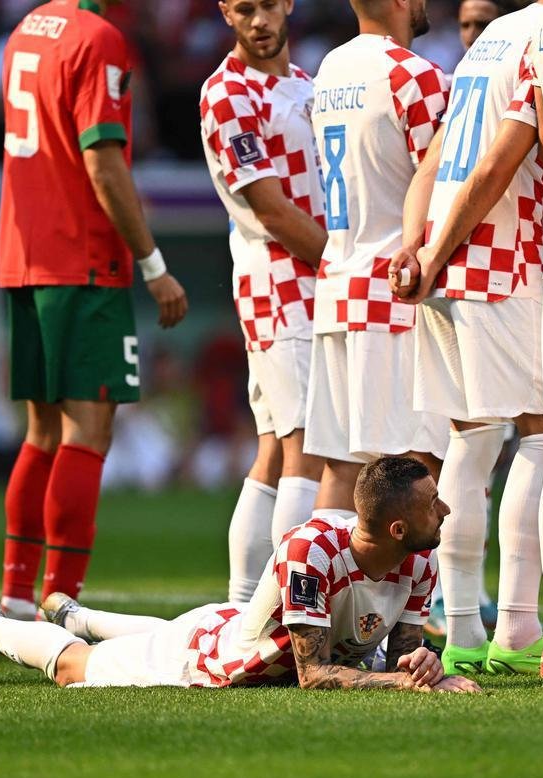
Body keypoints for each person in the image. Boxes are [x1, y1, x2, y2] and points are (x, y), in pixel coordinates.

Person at [0, 457, 480, 694]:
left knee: (169, 628)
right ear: (396, 526)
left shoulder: (418, 557)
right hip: (219, 661)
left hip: (233, 625)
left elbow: (402, 654)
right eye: (434, 504)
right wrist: (404, 683)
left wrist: (421, 664)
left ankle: (78, 615)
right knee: (76, 669)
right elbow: (313, 675)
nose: (446, 511)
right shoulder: (311, 552)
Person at [0, 0, 188, 621]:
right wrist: (154, 266)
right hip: (81, 258)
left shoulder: (26, 30)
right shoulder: (98, 38)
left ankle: (18, 595)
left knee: (42, 431)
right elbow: (103, 165)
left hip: (23, 254)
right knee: (88, 431)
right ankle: (63, 602)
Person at [391, 0, 543, 676]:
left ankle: (460, 630)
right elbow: (496, 166)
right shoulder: (541, 38)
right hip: (499, 261)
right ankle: (517, 628)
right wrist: (433, 255)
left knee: (469, 439)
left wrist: (418, 248)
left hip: (444, 261)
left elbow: (431, 164)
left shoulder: (480, 51)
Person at [199, 0, 329, 603]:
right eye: (244, 8)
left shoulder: (306, 84)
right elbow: (271, 209)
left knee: (275, 448)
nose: (258, 21)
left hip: (308, 280)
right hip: (280, 283)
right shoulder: (227, 93)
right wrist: (341, 264)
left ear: (288, 6)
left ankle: (241, 601)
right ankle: (289, 610)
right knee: (304, 444)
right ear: (226, 11)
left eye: (268, 6)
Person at [303, 0, 450, 521]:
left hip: (338, 283)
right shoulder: (417, 76)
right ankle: (412, 603)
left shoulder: (329, 70)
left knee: (342, 467)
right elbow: (442, 188)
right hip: (394, 292)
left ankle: (308, 593)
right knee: (416, 464)